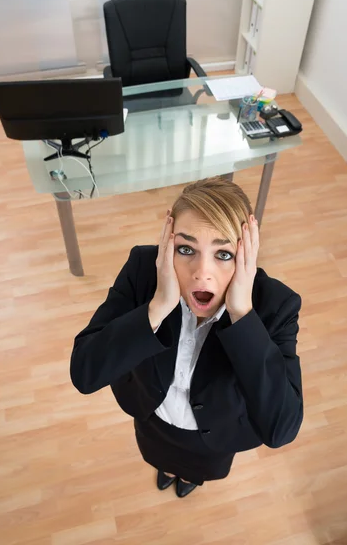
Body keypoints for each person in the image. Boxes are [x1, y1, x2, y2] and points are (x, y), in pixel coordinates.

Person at [70, 176, 303, 498]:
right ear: (168, 244)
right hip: (154, 416)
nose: (201, 273)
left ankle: (190, 477)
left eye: (223, 254)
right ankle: (167, 468)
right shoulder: (143, 269)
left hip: (216, 433)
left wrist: (241, 316)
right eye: (185, 249)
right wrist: (158, 306)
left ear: (246, 252)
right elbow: (85, 373)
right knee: (158, 457)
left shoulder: (276, 306)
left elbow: (281, 429)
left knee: (199, 467)